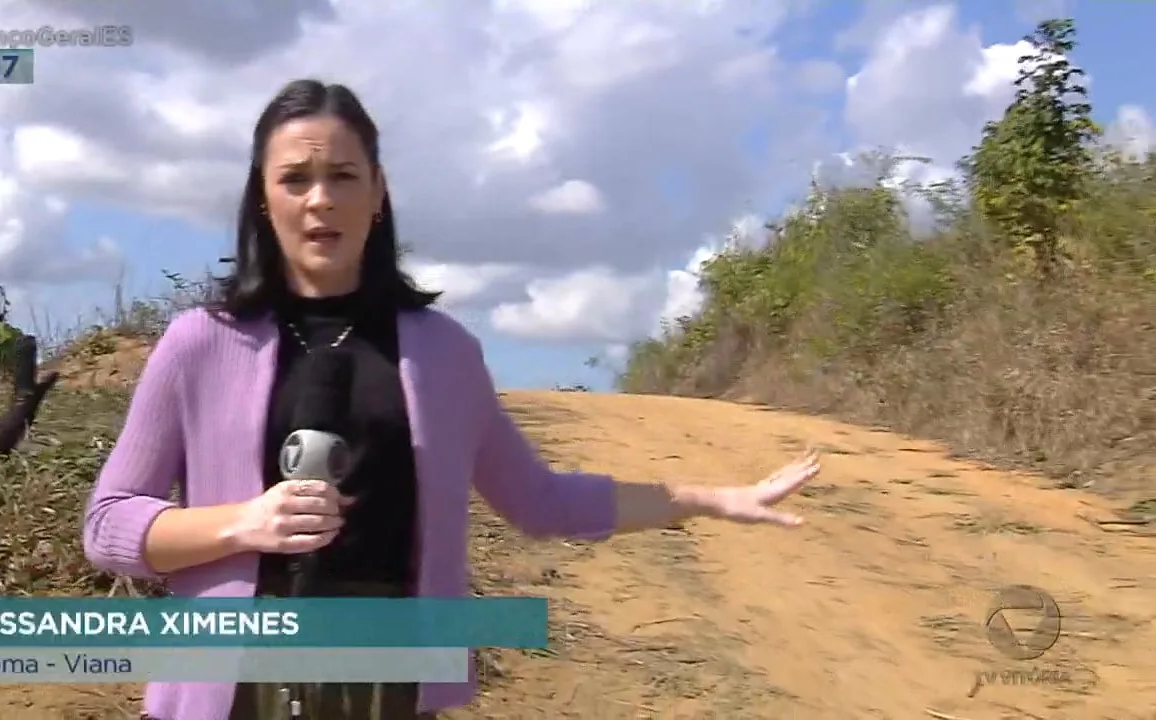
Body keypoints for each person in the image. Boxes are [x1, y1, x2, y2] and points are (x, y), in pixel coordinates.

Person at [81, 78, 820, 720]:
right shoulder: (199, 343)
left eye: (343, 175)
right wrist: (242, 524)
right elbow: (109, 525)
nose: (319, 200)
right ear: (262, 199)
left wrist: (708, 499)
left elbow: (540, 501)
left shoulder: (442, 352)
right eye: (295, 179)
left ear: (378, 195)